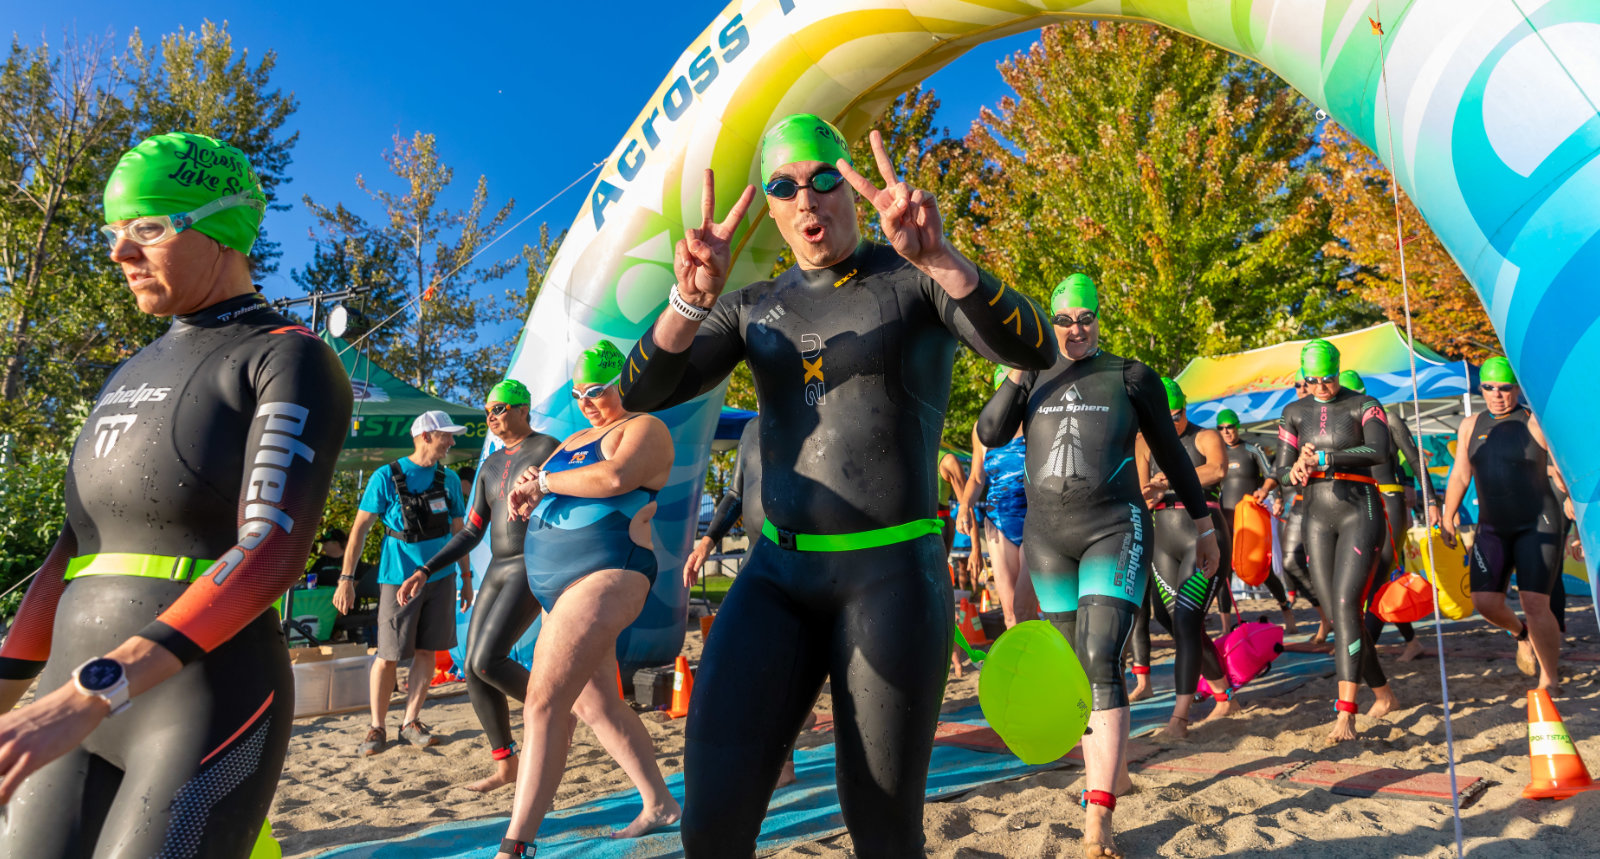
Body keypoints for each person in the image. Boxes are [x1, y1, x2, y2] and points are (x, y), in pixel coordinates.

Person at [615, 115, 1055, 857]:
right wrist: (687, 304)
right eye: (785, 186)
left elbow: (1033, 344)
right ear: (772, 206)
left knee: (882, 826)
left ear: (850, 185)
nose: (806, 199)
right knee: (712, 822)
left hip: (890, 576)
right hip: (777, 577)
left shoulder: (913, 279)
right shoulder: (753, 306)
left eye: (823, 178)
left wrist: (945, 258)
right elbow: (641, 391)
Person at [0, 132, 350, 857]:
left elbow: (271, 550)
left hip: (200, 699)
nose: (120, 253)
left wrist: (90, 692)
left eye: (150, 229)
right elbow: (72, 550)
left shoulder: (288, 355)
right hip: (73, 696)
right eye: (114, 232)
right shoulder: (129, 371)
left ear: (221, 228)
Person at [978, 273, 1218, 858]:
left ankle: (1098, 819)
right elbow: (989, 431)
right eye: (1063, 320)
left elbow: (1168, 450)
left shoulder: (1130, 376)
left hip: (1114, 528)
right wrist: (1016, 366)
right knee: (1072, 673)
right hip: (1046, 539)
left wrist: (1205, 523)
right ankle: (1115, 773)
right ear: (1051, 323)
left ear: (1098, 320)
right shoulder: (1031, 374)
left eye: (1084, 318)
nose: (1075, 330)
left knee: (1099, 659)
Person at [495, 341, 682, 853]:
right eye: (579, 394)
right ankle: (660, 804)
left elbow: (615, 476)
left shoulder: (643, 428)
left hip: (607, 572)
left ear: (621, 383)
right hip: (558, 583)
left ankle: (517, 844)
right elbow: (549, 480)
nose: (587, 402)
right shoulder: (575, 438)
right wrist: (530, 486)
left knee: (542, 702)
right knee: (599, 706)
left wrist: (547, 481)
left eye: (597, 390)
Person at [407, 380, 559, 791]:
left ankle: (557, 711)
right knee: (472, 667)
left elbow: (572, 493)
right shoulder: (489, 466)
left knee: (488, 660)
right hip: (498, 567)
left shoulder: (548, 448)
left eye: (501, 408)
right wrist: (426, 569)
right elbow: (471, 532)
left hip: (533, 564)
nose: (492, 417)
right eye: (488, 411)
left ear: (524, 409)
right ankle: (506, 766)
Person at [1274, 340, 1398, 743]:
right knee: (1339, 612)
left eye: (1327, 379)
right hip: (1316, 514)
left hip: (1358, 508)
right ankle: (1384, 692)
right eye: (1312, 380)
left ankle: (1346, 712)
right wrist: (1294, 469)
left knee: (1347, 605)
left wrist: (1326, 459)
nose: (1321, 387)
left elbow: (1378, 450)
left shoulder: (1364, 404)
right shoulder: (1294, 412)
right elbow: (1280, 465)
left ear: (1338, 371)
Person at [335, 410, 473, 755]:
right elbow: (360, 530)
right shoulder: (385, 476)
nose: (452, 442)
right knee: (388, 653)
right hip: (396, 578)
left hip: (441, 578)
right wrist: (346, 578)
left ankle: (410, 721)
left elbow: (460, 534)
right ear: (426, 435)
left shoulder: (450, 479)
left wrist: (466, 578)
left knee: (429, 650)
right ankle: (376, 727)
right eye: (447, 436)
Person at [1441, 357, 1564, 693]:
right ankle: (1521, 635)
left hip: (1538, 523)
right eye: (1489, 387)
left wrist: (1570, 499)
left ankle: (1549, 677)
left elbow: (1563, 468)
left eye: (1505, 388)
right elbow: (1461, 474)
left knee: (1535, 602)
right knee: (1484, 602)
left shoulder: (1535, 422)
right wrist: (1447, 515)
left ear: (1517, 389)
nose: (1497, 394)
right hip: (1493, 526)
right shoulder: (1470, 425)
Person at [1131, 378, 1236, 732]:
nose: (1170, 423)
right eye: (1162, 417)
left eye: (1175, 416)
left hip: (1202, 534)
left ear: (1185, 411)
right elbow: (1141, 489)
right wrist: (1148, 492)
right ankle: (1223, 696)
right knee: (1172, 620)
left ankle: (1179, 718)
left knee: (1188, 620)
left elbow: (1217, 469)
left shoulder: (1204, 436)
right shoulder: (1144, 440)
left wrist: (1171, 481)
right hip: (1164, 538)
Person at [1341, 371, 1429, 663]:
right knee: (1365, 578)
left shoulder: (1387, 419)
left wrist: (1431, 500)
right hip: (1357, 503)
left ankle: (1363, 653)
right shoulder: (1338, 425)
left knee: (1381, 575)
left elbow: (1414, 458)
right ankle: (1410, 641)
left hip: (1387, 498)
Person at [958, 367, 1038, 628]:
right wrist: (964, 507)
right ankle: (1022, 668)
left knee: (1026, 607)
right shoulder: (983, 429)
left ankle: (1044, 663)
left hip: (1035, 518)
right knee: (1010, 614)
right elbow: (976, 478)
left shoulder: (1035, 419)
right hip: (999, 521)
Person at [1260, 372, 1333, 644]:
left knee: (1331, 564)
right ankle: (1327, 618)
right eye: (1300, 384)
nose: (1304, 388)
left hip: (1334, 497)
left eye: (1308, 383)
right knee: (1291, 561)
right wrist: (1272, 491)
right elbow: (1281, 464)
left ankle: (1344, 624)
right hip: (1303, 501)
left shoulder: (1330, 410)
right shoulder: (1292, 414)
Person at [1215, 408, 1297, 631]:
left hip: (1248, 519)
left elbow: (1272, 474)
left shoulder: (1251, 449)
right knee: (1224, 573)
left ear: (1237, 426)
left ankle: (1286, 612)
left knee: (1262, 569)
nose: (1226, 432)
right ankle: (1224, 627)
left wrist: (1277, 498)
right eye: (1221, 428)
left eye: (1230, 427)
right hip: (1224, 518)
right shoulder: (1216, 454)